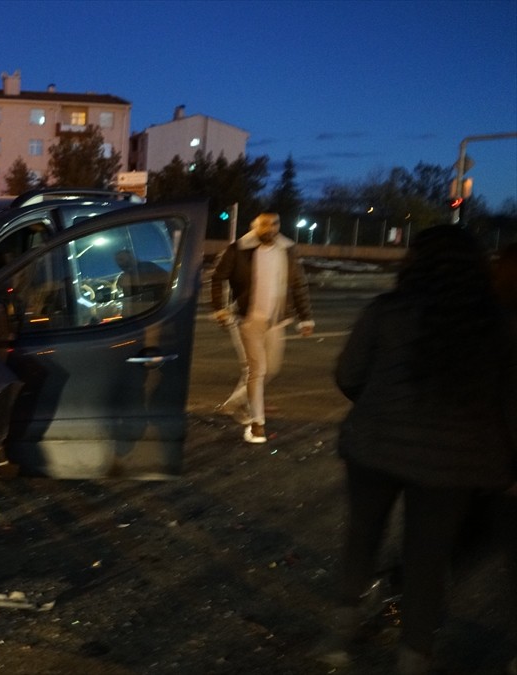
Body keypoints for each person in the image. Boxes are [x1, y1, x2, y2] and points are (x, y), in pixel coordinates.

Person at [318, 225, 517, 673]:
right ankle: (414, 654)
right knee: (427, 557)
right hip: (454, 464)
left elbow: (350, 374)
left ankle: (339, 635)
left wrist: (377, 407)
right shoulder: (499, 325)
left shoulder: (387, 311)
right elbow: (510, 403)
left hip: (376, 448)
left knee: (362, 536)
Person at [209, 212, 314, 443]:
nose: (270, 228)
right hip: (248, 321)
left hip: (276, 322)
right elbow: (218, 277)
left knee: (272, 369)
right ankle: (257, 424)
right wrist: (220, 308)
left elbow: (298, 284)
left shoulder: (287, 250)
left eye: (275, 223)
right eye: (264, 224)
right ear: (254, 226)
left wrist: (305, 318)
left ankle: (236, 403)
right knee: (257, 370)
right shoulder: (238, 249)